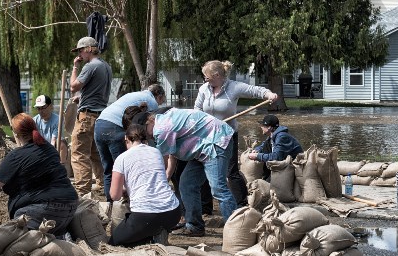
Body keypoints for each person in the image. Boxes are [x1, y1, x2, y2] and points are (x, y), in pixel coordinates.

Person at [0, 113, 78, 236]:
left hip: (46, 208)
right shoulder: (50, 148)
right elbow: (4, 176)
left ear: (16, 134)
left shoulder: (17, 155)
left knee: (15, 232)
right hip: (71, 205)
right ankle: (61, 235)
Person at [123, 106, 236, 237]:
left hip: (215, 142)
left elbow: (160, 162)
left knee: (218, 188)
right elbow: (172, 156)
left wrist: (158, 181)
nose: (146, 136)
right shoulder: (161, 122)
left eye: (144, 132)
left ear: (149, 122)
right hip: (201, 148)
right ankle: (195, 226)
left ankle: (235, 230)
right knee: (187, 184)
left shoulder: (161, 130)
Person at [195, 60, 279, 208]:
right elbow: (197, 110)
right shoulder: (203, 89)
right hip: (207, 135)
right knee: (204, 168)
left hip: (227, 136)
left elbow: (256, 90)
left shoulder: (233, 87)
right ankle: (206, 206)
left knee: (231, 171)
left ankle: (242, 204)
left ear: (217, 75)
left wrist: (269, 94)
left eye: (207, 76)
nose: (205, 79)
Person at [108, 124, 181, 247]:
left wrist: (123, 188)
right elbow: (153, 177)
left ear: (127, 139)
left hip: (145, 215)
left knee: (114, 243)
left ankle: (150, 238)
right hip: (173, 212)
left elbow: (115, 195)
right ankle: (157, 234)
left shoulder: (122, 159)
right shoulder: (156, 152)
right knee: (146, 229)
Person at [94, 84, 165, 204]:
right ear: (159, 96)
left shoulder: (134, 94)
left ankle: (110, 206)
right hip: (115, 127)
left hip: (99, 125)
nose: (159, 105)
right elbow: (152, 129)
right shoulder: (151, 102)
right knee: (125, 168)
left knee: (108, 168)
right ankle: (128, 203)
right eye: (161, 101)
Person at [69, 36, 111, 196]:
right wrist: (83, 97)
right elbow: (96, 90)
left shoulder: (90, 66)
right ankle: (102, 187)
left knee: (79, 154)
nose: (79, 55)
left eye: (80, 51)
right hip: (100, 116)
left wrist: (75, 67)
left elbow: (74, 87)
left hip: (86, 117)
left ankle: (82, 192)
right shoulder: (106, 66)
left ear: (88, 49)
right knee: (96, 154)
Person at [248, 115, 303, 181]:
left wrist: (258, 156)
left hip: (293, 166)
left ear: (269, 127)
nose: (261, 127)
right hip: (283, 160)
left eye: (262, 125)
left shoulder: (281, 137)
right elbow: (264, 145)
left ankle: (268, 180)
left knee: (270, 182)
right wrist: (257, 150)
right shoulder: (273, 135)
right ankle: (267, 177)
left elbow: (276, 157)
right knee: (265, 146)